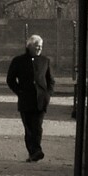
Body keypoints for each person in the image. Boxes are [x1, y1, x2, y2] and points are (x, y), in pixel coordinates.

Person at [6, 34, 54, 162]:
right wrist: (19, 92)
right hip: (26, 100)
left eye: (41, 47)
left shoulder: (45, 61)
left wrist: (47, 94)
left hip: (41, 100)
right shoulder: (18, 61)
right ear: (30, 47)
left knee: (37, 126)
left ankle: (36, 151)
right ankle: (33, 152)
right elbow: (10, 79)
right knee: (28, 127)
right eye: (37, 46)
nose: (39, 49)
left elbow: (50, 80)